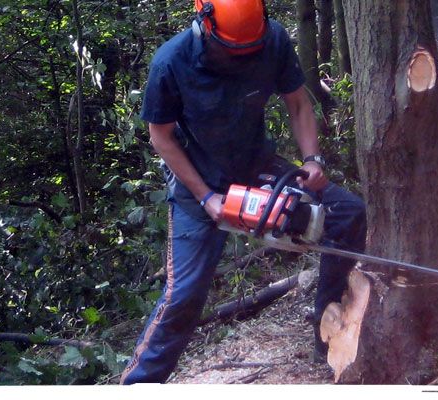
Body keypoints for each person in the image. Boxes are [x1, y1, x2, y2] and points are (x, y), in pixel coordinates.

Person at [119, 0, 366, 384]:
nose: (240, 59)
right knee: (183, 295)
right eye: (231, 51)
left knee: (346, 213)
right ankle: (138, 385)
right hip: (197, 183)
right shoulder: (171, 62)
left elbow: (298, 102)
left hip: (256, 166)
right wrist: (206, 198)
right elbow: (161, 137)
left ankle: (328, 334)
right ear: (204, 25)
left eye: (248, 51)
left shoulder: (273, 40)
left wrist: (312, 160)